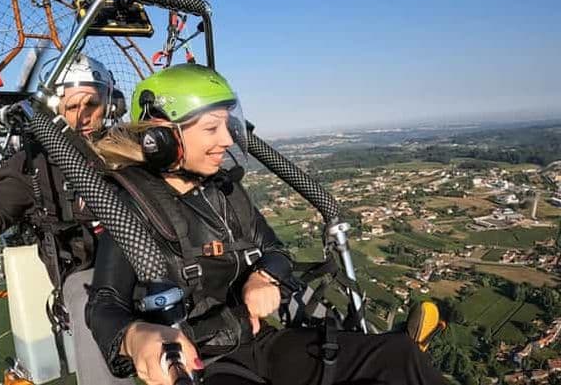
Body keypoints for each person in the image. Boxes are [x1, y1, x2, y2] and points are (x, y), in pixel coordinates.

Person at [86, 63, 448, 385]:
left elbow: (274, 249)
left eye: (228, 126)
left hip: (258, 341)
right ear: (161, 136)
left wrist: (263, 277)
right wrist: (137, 336)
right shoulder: (130, 206)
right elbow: (105, 302)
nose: (226, 140)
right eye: (212, 128)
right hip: (204, 363)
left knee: (395, 355)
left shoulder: (224, 191)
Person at [0, 53, 133, 385]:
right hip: (87, 274)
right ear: (55, 111)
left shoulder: (126, 150)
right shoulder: (33, 166)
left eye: (92, 104)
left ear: (110, 105)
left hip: (144, 264)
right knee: (93, 303)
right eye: (71, 107)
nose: (82, 116)